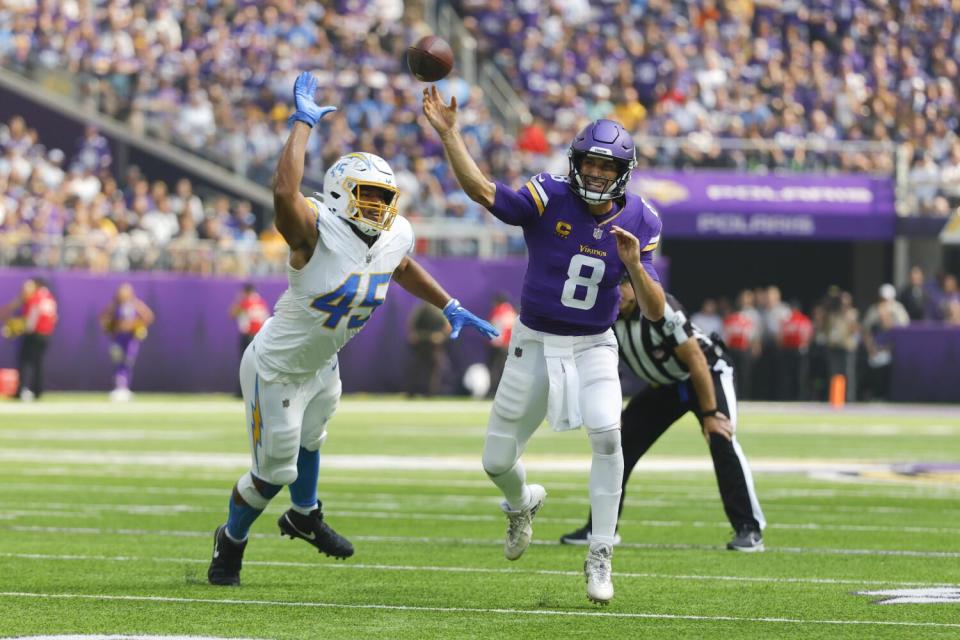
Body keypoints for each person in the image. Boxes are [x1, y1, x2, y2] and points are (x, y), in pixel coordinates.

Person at [207, 73, 498, 587]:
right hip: (276, 367)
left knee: (313, 439)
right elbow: (283, 191)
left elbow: (401, 266)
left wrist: (448, 303)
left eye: (384, 197)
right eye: (366, 195)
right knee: (274, 471)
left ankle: (304, 515)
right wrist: (301, 124)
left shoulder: (392, 233)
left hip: (322, 361)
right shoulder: (314, 232)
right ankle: (229, 542)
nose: (378, 208)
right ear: (341, 194)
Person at [424, 86, 664, 604]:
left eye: (607, 167)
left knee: (607, 435)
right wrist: (450, 134)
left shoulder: (642, 219)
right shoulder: (548, 193)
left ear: (623, 172)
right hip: (533, 341)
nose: (597, 174)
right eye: (590, 164)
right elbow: (483, 192)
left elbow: (653, 310)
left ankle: (600, 552)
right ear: (576, 162)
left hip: (593, 344)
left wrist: (636, 267)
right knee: (495, 461)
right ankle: (521, 503)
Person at [560, 281, 766, 552]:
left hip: (706, 373)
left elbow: (695, 358)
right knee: (617, 445)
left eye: (622, 284)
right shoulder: (606, 316)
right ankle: (600, 529)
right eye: (611, 285)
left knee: (721, 436)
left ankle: (749, 528)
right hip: (663, 386)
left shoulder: (658, 306)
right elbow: (606, 367)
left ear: (635, 283)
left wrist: (710, 413)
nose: (617, 292)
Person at [0, 277, 58, 401]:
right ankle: (37, 390)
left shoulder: (36, 297)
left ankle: (23, 390)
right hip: (46, 334)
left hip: (34, 334)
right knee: (38, 363)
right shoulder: (49, 297)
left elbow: (32, 320)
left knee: (25, 362)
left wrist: (18, 329)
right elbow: (54, 317)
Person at [99, 283, 155, 402]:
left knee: (128, 363)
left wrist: (137, 325)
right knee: (118, 362)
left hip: (130, 338)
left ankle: (125, 388)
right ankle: (119, 388)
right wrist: (110, 327)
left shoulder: (134, 304)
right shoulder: (115, 305)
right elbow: (104, 318)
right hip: (118, 338)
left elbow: (148, 316)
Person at [229, 283, 270, 397]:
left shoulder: (245, 302)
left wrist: (238, 300)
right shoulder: (261, 302)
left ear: (246, 292)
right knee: (258, 364)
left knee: (244, 364)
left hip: (248, 336)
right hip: (261, 337)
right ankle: (257, 391)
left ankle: (241, 392)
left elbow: (231, 314)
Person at [406, 301, 451, 397]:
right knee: (416, 368)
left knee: (434, 370)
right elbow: (412, 323)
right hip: (421, 344)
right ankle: (411, 393)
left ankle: (430, 393)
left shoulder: (440, 310)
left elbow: (447, 326)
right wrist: (414, 334)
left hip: (434, 346)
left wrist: (441, 336)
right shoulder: (421, 309)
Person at [486, 292, 517, 397]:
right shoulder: (511, 311)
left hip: (499, 345)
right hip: (508, 345)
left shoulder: (498, 311)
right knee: (504, 368)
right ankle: (506, 391)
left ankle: (494, 391)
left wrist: (495, 342)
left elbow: (496, 329)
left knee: (494, 368)